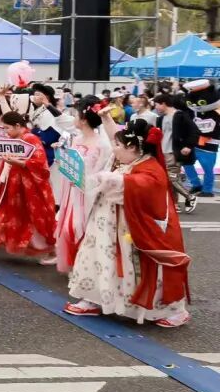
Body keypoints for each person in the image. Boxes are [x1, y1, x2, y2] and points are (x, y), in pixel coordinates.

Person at [64, 115, 191, 327]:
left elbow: (139, 185)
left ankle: (172, 310)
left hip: (132, 229)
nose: (114, 149)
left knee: (138, 265)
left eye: (118, 145)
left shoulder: (151, 168)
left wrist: (109, 180)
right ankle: (94, 298)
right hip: (108, 225)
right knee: (98, 259)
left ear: (132, 147)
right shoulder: (131, 160)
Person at [0, 111, 57, 260]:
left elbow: (40, 163)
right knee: (0, 213)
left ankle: (49, 248)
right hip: (11, 184)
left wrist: (16, 162)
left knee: (32, 218)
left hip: (27, 188)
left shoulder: (30, 138)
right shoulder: (14, 138)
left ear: (17, 125)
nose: (5, 131)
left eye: (7, 128)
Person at [53, 98, 113, 273]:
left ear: (84, 119)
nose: (74, 119)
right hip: (72, 192)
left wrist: (86, 181)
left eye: (76, 115)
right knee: (68, 229)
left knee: (83, 229)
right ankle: (75, 267)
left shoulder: (102, 144)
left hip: (89, 194)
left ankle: (86, 269)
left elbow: (103, 171)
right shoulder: (76, 139)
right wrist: (61, 159)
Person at [153, 93, 198, 212]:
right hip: (162, 152)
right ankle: (175, 204)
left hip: (174, 152)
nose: (155, 107)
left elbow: (194, 131)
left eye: (156, 105)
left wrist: (188, 145)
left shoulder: (180, 116)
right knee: (171, 179)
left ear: (163, 103)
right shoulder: (160, 118)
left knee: (172, 178)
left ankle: (190, 196)